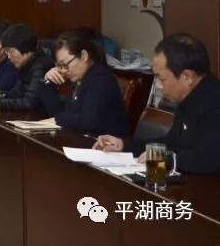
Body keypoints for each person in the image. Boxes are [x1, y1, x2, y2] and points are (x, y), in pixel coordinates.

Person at [94, 34, 220, 174]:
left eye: (162, 79)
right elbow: (171, 142)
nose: (159, 86)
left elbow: (208, 160)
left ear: (187, 77)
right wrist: (124, 145)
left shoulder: (214, 102)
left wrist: (162, 157)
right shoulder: (189, 98)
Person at [37, 29, 128, 136]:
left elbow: (88, 122)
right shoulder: (80, 78)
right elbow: (58, 112)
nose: (64, 71)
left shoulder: (101, 78)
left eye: (65, 64)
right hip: (83, 140)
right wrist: (48, 82)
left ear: (84, 56)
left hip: (106, 144)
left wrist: (58, 119)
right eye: (60, 66)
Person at [0, 23, 52, 110]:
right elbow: (16, 93)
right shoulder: (26, 64)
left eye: (10, 51)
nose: (9, 57)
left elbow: (29, 102)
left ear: (25, 48)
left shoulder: (41, 66)